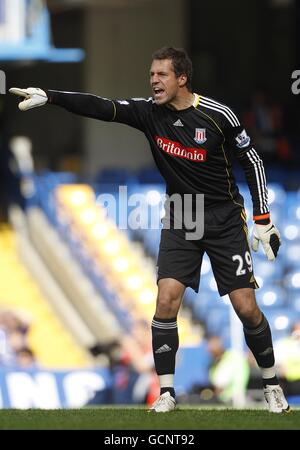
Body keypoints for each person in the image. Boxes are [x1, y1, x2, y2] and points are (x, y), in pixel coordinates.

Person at [9, 46, 289, 413]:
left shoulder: (218, 115)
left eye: (161, 75)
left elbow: (252, 161)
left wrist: (262, 218)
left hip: (223, 218)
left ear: (182, 78)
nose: (153, 80)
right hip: (181, 215)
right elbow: (101, 106)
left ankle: (271, 385)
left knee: (246, 308)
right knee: (166, 300)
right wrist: (51, 97)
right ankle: (167, 393)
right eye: (152, 74)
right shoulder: (148, 113)